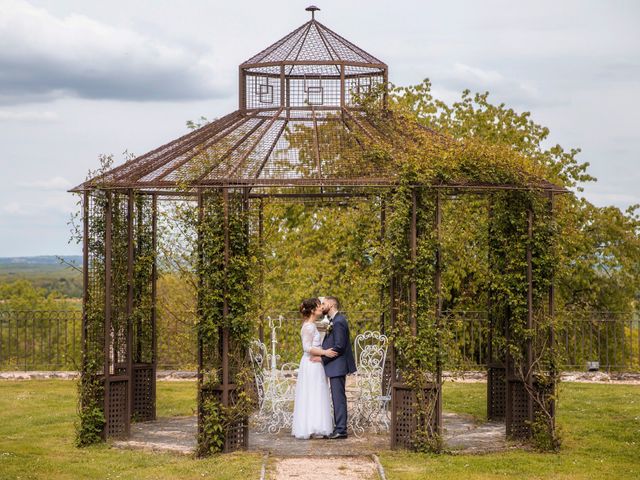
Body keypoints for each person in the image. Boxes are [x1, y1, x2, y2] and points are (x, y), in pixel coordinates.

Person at [291, 297, 338, 439]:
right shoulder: (308, 327)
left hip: (316, 363)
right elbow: (307, 348)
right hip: (311, 364)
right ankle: (310, 426)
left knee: (317, 393)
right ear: (312, 310)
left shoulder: (313, 325)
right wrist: (325, 353)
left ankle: (316, 425)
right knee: (312, 393)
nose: (321, 308)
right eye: (318, 306)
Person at [320, 296, 357, 439]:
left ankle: (341, 430)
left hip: (338, 365)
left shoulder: (339, 321)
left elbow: (339, 346)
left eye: (323, 303)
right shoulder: (333, 321)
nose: (322, 306)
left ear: (330, 304)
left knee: (338, 398)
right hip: (334, 365)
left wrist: (322, 358)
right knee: (336, 397)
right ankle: (338, 427)